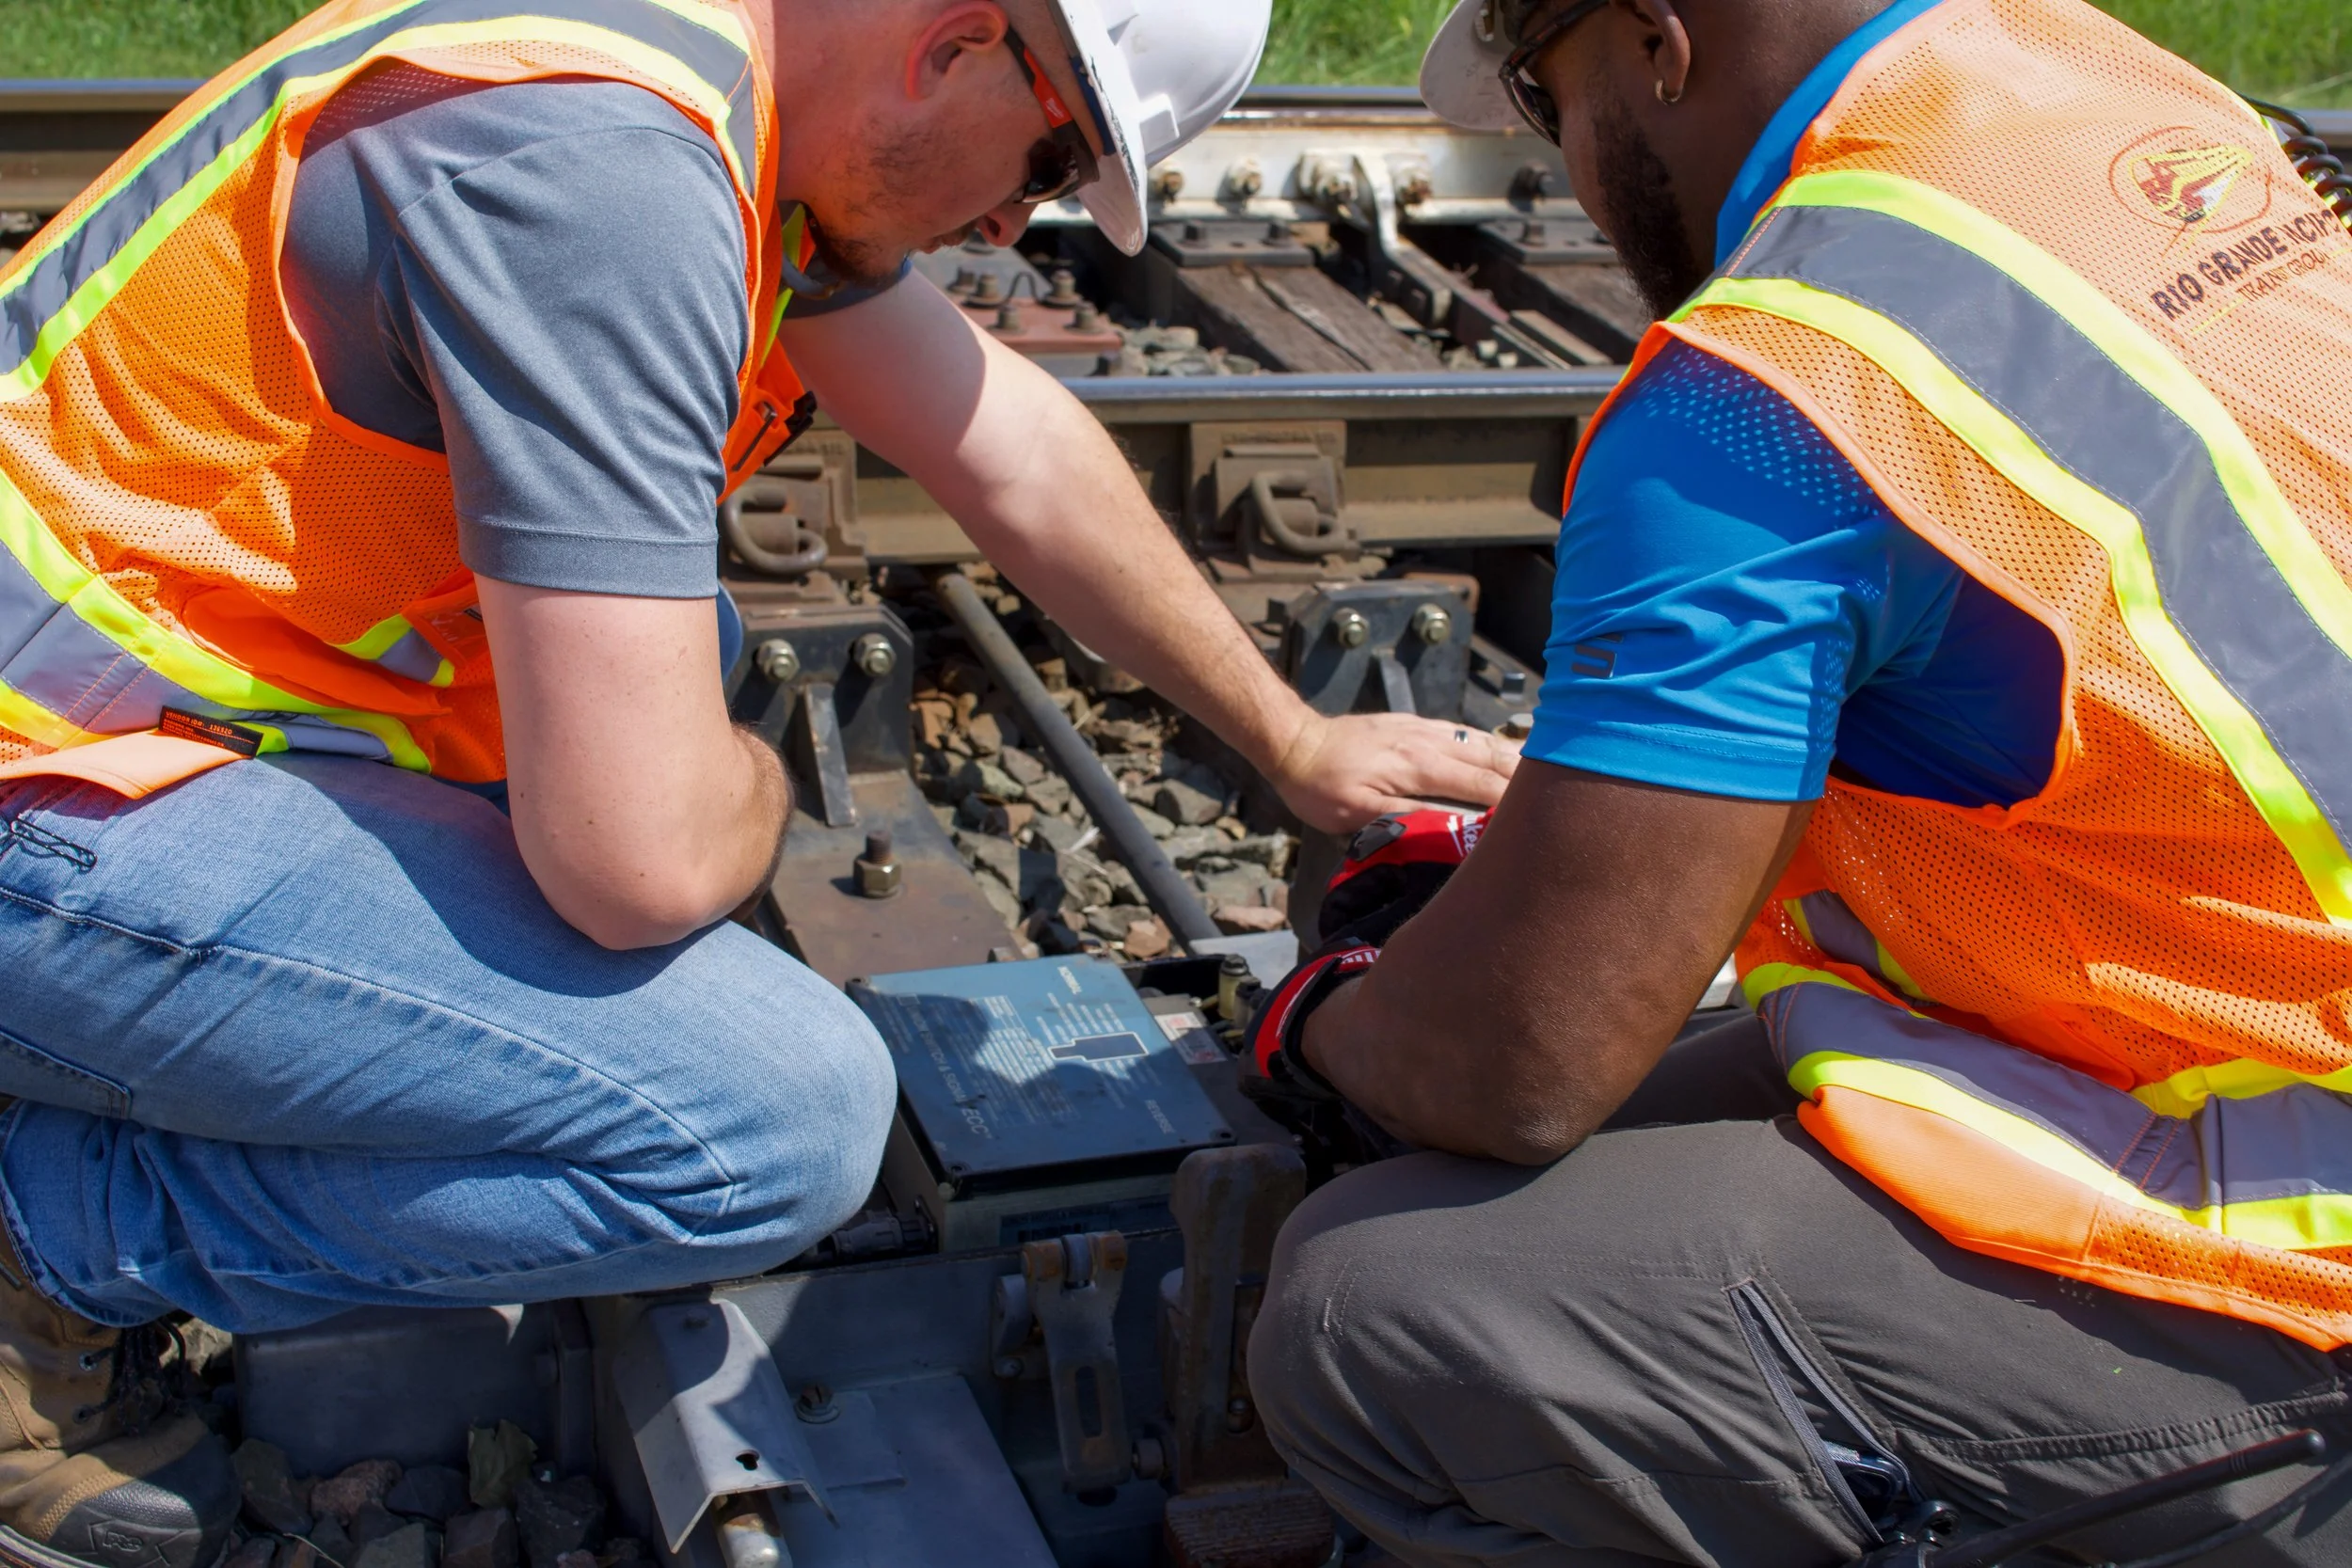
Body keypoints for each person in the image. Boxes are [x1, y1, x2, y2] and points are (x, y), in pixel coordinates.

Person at [0, 0, 1529, 1561]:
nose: (1020, 216)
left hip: (173, 705)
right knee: (771, 1122)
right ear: (961, 38)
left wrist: (1289, 735)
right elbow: (643, 860)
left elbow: (1010, 445)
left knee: (683, 643)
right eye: (1056, 154)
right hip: (48, 784)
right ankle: (49, 1234)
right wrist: (736, 780)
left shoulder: (728, 91)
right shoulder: (606, 176)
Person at [1244, 0, 2352, 1563]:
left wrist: (1328, 1020)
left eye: (1541, 93)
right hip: (2246, 1028)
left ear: (1654, 41)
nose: (1560, 161)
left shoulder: (1772, 389)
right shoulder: (2105, 79)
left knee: (1372, 1310)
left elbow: (1523, 1063)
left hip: (2304, 1258)